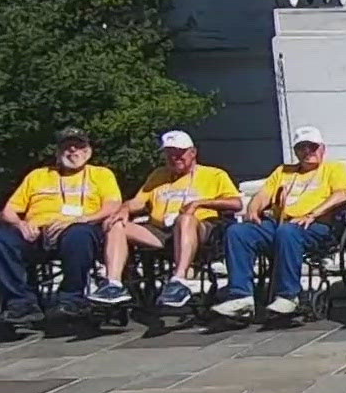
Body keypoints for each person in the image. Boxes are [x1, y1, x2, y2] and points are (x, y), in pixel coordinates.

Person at [0, 128, 123, 321]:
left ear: (88, 151)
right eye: (66, 147)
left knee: (79, 234)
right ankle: (20, 303)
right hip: (36, 233)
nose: (73, 151)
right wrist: (20, 223)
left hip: (79, 229)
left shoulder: (101, 174)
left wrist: (80, 219)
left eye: (79, 146)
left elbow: (113, 205)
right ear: (57, 152)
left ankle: (71, 299)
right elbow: (7, 212)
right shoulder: (38, 176)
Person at [91, 131, 242, 309]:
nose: (174, 158)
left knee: (185, 219)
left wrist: (200, 203)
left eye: (179, 153)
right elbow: (138, 202)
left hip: (199, 228)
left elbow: (236, 203)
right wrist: (124, 209)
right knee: (117, 224)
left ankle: (179, 279)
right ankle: (114, 284)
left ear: (192, 152)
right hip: (160, 230)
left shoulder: (214, 175)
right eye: (169, 153)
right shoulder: (158, 175)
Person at [214, 127, 346, 318]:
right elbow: (263, 195)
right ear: (295, 151)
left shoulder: (334, 169)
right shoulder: (283, 172)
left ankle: (288, 295)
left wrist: (312, 214)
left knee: (288, 232)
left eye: (312, 147)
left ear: (322, 148)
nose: (307, 152)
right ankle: (241, 296)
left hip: (317, 226)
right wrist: (253, 210)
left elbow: (341, 195)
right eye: (302, 148)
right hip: (281, 223)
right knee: (238, 232)